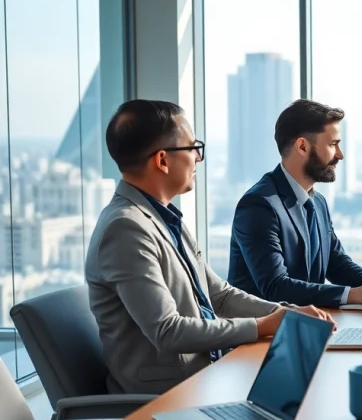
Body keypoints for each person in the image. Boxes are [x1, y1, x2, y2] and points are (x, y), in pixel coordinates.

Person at [86, 100, 334, 395]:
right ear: (163, 161)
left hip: (207, 375)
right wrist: (262, 325)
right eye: (192, 148)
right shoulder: (125, 228)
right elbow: (168, 331)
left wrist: (286, 313)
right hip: (166, 397)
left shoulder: (163, 217)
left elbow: (220, 295)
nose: (198, 159)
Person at [229, 100, 362, 307]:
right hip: (264, 333)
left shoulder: (317, 201)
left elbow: (335, 262)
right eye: (333, 145)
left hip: (308, 324)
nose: (340, 154)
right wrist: (354, 295)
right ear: (302, 146)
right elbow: (275, 287)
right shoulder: (259, 205)